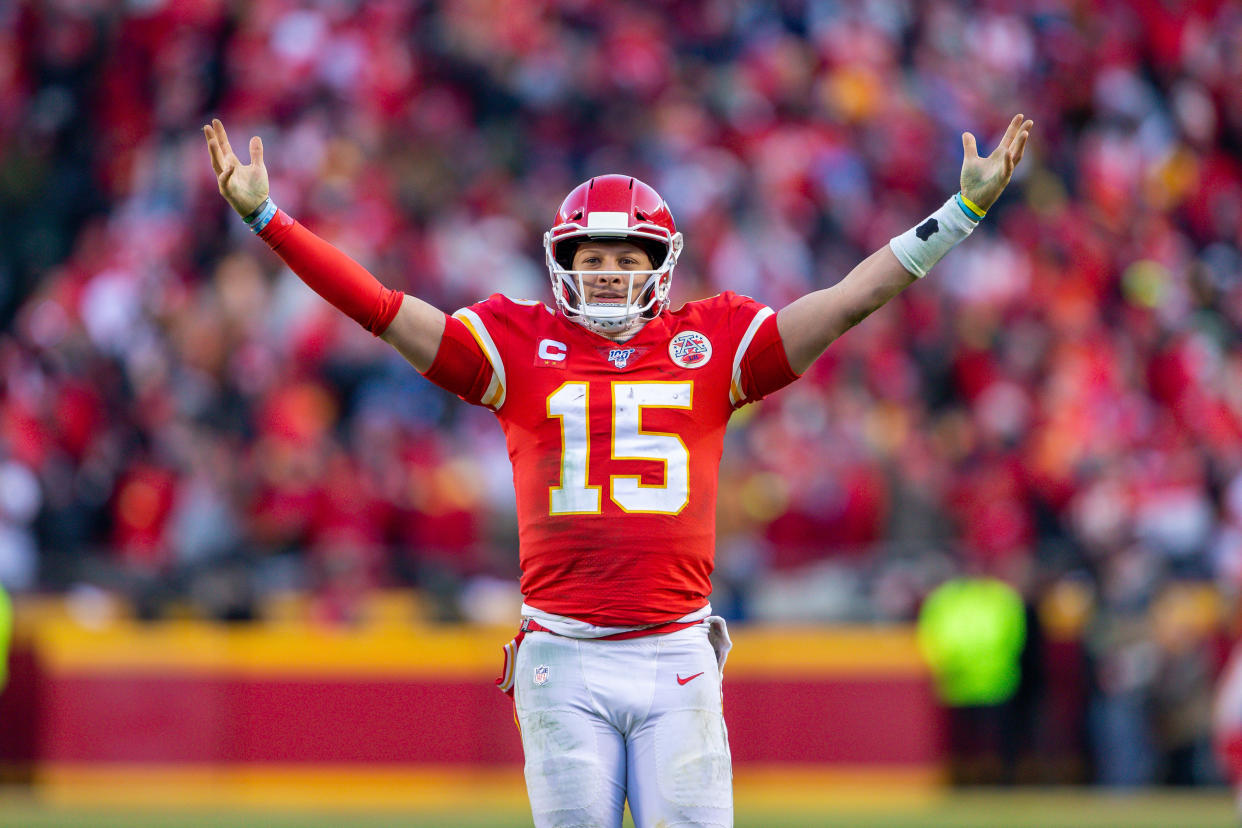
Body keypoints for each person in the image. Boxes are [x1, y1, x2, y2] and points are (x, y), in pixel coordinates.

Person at [203, 113, 1032, 828]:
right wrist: (269, 217)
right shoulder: (514, 344)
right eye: (593, 255)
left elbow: (851, 298)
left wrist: (961, 211)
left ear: (658, 264)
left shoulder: (711, 343)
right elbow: (380, 308)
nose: (608, 270)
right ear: (564, 260)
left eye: (627, 256)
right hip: (564, 653)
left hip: (675, 651)